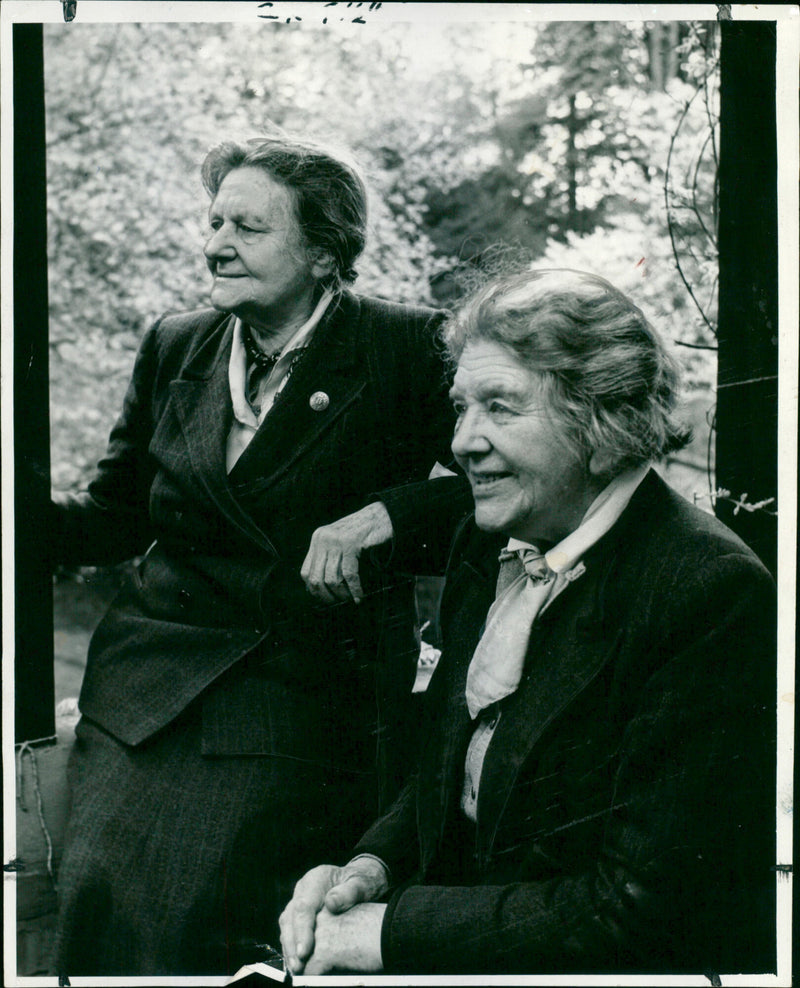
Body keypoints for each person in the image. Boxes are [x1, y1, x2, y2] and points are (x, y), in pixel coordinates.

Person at [49, 135, 470, 976]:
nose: (216, 244)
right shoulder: (177, 343)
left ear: (322, 251)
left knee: (196, 902)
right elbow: (113, 518)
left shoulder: (404, 347)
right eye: (213, 222)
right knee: (97, 883)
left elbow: (496, 490)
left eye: (247, 226)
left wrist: (385, 516)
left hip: (302, 691)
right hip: (149, 684)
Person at [280, 268, 777, 977]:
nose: (461, 442)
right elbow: (444, 774)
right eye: (461, 408)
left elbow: (640, 909)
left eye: (500, 408)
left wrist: (388, 933)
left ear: (600, 419)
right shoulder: (492, 542)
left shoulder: (708, 592)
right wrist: (367, 869)